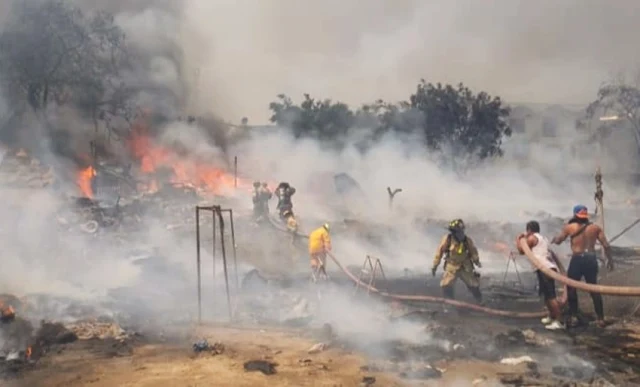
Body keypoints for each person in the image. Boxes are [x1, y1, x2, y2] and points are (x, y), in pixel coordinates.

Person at [550, 204, 614, 328]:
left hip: (577, 259)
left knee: (571, 287)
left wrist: (554, 239)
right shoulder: (595, 228)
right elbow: (606, 245)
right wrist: (610, 261)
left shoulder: (569, 227)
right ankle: (600, 319)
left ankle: (574, 315)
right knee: (593, 288)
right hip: (591, 259)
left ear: (575, 215)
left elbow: (559, 241)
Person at [515, 220, 564, 330]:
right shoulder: (543, 238)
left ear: (529, 230)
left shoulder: (532, 238)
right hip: (544, 269)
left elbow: (522, 251)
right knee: (546, 295)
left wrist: (518, 239)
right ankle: (552, 316)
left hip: (545, 269)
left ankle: (559, 321)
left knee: (551, 297)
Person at [431, 219, 483, 303]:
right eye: (457, 231)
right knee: (446, 284)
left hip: (465, 266)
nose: (460, 233)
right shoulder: (447, 239)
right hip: (452, 266)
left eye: (460, 231)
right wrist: (435, 265)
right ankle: (449, 303)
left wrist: (477, 262)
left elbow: (473, 251)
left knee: (473, 284)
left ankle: (479, 300)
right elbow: (439, 252)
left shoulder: (467, 240)